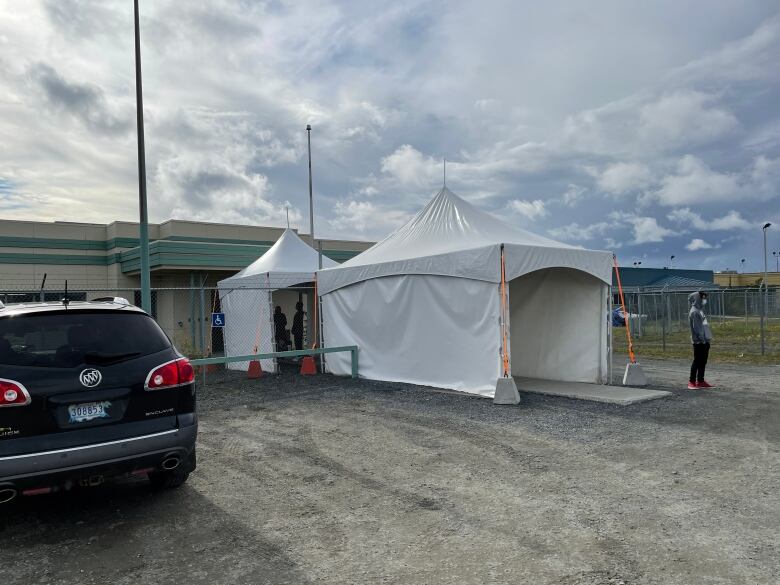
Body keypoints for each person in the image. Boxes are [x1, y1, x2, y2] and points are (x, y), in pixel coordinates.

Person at [688, 290, 714, 389]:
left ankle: (701, 381)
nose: (705, 300)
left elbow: (704, 326)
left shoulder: (700, 310)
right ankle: (692, 382)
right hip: (699, 342)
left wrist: (707, 338)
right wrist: (702, 340)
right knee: (697, 361)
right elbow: (697, 328)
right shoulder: (694, 312)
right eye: (703, 298)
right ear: (698, 299)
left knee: (703, 361)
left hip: (705, 340)